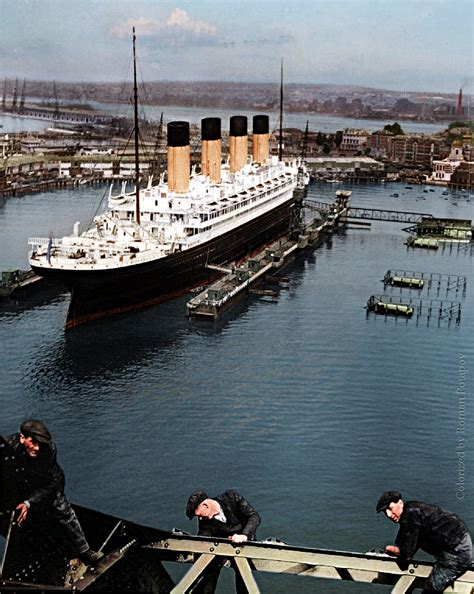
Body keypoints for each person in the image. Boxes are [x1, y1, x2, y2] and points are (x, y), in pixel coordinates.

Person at [1, 419, 102, 565]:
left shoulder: (48, 450)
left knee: (63, 511)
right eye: (33, 443)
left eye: (39, 444)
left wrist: (29, 503)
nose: (37, 448)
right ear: (22, 438)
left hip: (48, 483)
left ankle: (84, 551)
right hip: (22, 484)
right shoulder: (9, 448)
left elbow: (50, 484)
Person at [376, 490, 472, 593]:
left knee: (431, 589)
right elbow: (407, 538)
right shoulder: (412, 509)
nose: (389, 514)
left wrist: (389, 549)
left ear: (400, 502)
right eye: (385, 512)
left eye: (390, 508)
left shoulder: (411, 517)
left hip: (457, 553)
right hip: (461, 542)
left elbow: (407, 555)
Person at [186, 489, 261, 593]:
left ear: (205, 505)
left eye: (199, 515)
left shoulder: (231, 498)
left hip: (243, 546)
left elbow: (253, 516)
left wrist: (244, 535)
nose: (200, 519)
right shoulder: (205, 521)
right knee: (208, 575)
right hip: (220, 550)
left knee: (243, 580)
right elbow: (204, 538)